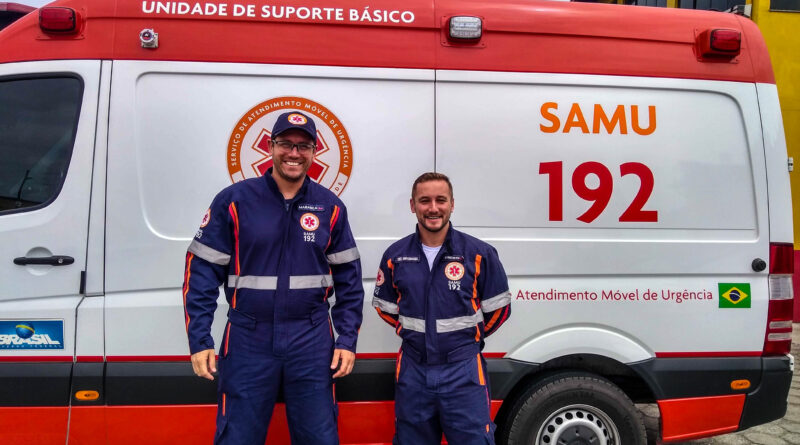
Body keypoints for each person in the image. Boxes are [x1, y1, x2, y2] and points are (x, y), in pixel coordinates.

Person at [182, 111, 364, 445]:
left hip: (311, 339)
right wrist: (199, 338)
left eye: (303, 146)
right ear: (271, 146)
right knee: (237, 437)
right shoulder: (235, 201)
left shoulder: (331, 207)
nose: (294, 153)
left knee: (319, 438)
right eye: (286, 144)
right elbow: (202, 271)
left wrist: (347, 339)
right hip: (248, 337)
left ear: (313, 152)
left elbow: (350, 281)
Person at [372, 172, 512, 445]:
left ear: (452, 204)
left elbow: (499, 310)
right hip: (414, 370)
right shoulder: (395, 256)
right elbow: (386, 309)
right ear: (413, 205)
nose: (433, 208)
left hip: (463, 370)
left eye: (440, 200)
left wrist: (466, 340)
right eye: (424, 201)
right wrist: (415, 334)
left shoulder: (479, 253)